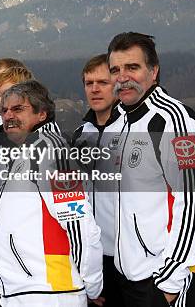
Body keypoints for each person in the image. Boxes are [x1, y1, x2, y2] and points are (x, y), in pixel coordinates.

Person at [108, 32, 195, 307]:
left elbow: (193, 204)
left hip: (172, 279)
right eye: (115, 70)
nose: (122, 77)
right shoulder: (121, 123)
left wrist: (169, 283)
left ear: (153, 71)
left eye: (132, 67)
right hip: (133, 278)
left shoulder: (175, 122)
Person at [0, 80, 103, 307]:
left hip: (51, 292)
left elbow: (79, 225)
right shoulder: (16, 152)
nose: (8, 115)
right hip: (18, 291)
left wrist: (92, 285)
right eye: (4, 110)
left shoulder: (51, 150)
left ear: (41, 114)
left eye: (18, 109)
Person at [70, 54, 124, 307]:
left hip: (131, 258)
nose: (95, 89)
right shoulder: (81, 134)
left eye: (102, 82)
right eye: (88, 83)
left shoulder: (133, 128)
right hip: (93, 257)